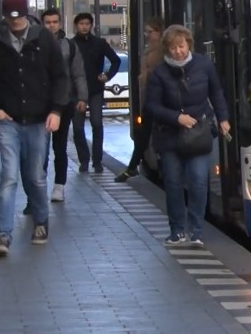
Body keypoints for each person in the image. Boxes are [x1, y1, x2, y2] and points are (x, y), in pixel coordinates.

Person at [0, 0, 68, 257]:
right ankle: (2, 235)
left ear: (27, 14)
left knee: (36, 177)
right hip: (8, 120)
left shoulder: (44, 39)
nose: (15, 24)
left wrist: (56, 110)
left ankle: (41, 222)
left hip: (40, 119)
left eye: (19, 19)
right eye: (10, 19)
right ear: (4, 15)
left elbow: (60, 77)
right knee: (8, 177)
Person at [145, 25, 229, 247]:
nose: (178, 52)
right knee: (173, 183)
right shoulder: (159, 73)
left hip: (198, 133)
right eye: (172, 48)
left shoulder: (203, 65)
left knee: (199, 181)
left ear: (189, 45)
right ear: (167, 49)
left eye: (181, 46)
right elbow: (152, 106)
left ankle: (197, 231)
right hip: (170, 136)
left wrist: (223, 118)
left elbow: (216, 92)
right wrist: (176, 118)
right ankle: (177, 230)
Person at [39, 8, 88, 202]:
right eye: (48, 22)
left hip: (64, 102)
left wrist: (82, 98)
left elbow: (79, 74)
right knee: (39, 149)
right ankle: (36, 189)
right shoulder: (34, 45)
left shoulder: (70, 46)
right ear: (42, 24)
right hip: (40, 104)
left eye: (54, 22)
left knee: (59, 147)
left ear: (60, 23)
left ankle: (59, 186)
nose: (51, 25)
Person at [115, 17, 165, 183]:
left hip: (158, 98)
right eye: (147, 32)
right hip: (149, 96)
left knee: (147, 133)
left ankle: (133, 167)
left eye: (151, 32)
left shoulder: (162, 50)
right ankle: (133, 166)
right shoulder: (150, 48)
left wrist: (147, 75)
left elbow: (160, 71)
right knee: (144, 133)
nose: (148, 35)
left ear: (159, 32)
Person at [71, 12, 121, 173]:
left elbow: (116, 60)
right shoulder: (71, 44)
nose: (84, 26)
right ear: (76, 26)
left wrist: (107, 75)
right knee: (78, 127)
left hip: (95, 90)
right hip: (76, 91)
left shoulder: (100, 43)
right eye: (81, 24)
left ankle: (97, 161)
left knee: (97, 124)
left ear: (91, 25)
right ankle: (84, 160)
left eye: (87, 23)